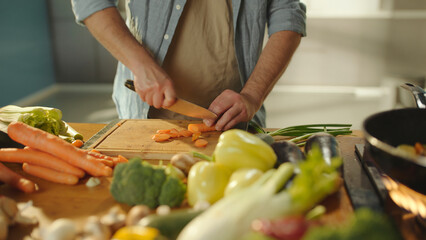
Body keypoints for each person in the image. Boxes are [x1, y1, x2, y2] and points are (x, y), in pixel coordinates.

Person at [71, 0, 306, 131]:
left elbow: (287, 13)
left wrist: (253, 95)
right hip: (144, 118)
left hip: (234, 121)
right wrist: (140, 63)